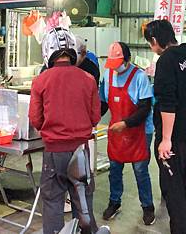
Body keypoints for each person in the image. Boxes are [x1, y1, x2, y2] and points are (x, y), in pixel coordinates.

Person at [29, 27, 101, 234]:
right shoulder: (88, 79)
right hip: (81, 151)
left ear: (47, 52)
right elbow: (95, 118)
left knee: (52, 201)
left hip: (54, 152)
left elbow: (36, 119)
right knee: (83, 203)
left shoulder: (41, 80)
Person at [144, 19, 186, 234]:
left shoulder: (165, 61)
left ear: (155, 40)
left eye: (150, 43)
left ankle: (180, 230)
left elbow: (167, 103)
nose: (151, 48)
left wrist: (165, 139)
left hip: (176, 135)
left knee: (173, 187)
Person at [99, 42, 155, 225]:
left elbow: (145, 108)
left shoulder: (139, 77)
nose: (116, 68)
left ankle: (147, 207)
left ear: (128, 59)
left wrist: (126, 123)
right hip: (117, 131)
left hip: (140, 131)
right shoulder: (107, 75)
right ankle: (114, 202)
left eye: (119, 63)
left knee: (140, 170)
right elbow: (103, 104)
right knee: (115, 168)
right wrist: (91, 120)